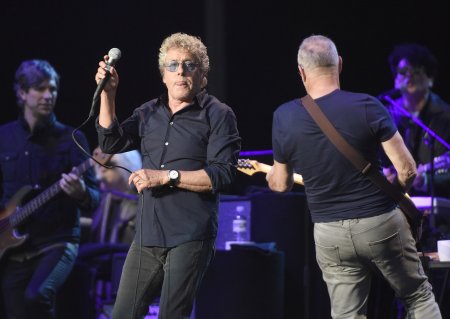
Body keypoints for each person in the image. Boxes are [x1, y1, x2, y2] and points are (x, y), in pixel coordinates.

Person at [266, 35, 441, 318]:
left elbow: (281, 184)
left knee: (346, 314)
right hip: (381, 224)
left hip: (329, 232)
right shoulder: (367, 106)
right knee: (418, 297)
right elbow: (407, 170)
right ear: (340, 65)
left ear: (300, 71)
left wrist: (270, 176)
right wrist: (394, 191)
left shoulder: (283, 117)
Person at [94, 32, 241, 319]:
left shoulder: (219, 114)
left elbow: (222, 174)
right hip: (147, 236)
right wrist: (108, 95)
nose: (180, 72)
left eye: (190, 65)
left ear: (203, 75)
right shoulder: (148, 112)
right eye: (172, 65)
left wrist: (165, 176)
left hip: (190, 236)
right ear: (163, 75)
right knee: (122, 314)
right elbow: (110, 143)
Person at [0, 60, 100, 319]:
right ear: (22, 93)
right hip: (11, 248)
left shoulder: (72, 139)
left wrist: (80, 192)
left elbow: (94, 198)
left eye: (53, 89)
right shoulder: (4, 137)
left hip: (57, 241)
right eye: (40, 89)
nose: (48, 95)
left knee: (37, 295)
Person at [381, 43, 450, 198]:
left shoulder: (445, 116)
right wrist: (382, 175)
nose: (409, 76)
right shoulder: (385, 114)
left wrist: (425, 181)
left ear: (430, 78)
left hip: (436, 209)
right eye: (404, 71)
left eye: (417, 71)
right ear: (395, 79)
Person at [88, 147, 142, 244]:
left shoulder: (140, 207)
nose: (101, 171)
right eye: (99, 166)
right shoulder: (103, 202)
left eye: (109, 165)